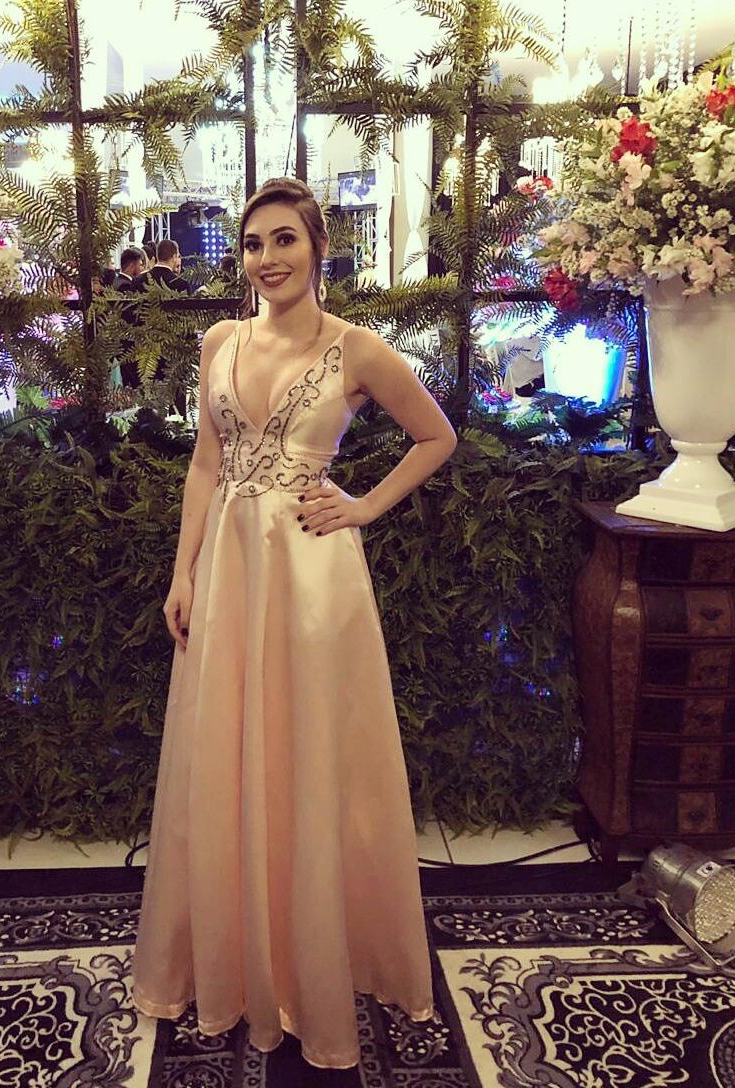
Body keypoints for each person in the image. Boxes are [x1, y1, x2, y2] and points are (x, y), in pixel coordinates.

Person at [130, 177, 458, 1069]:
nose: (267, 258)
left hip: (312, 577)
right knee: (226, 751)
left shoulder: (358, 349)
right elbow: (206, 466)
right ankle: (235, 959)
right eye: (253, 243)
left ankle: (316, 959)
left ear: (317, 248)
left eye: (284, 240)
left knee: (308, 755)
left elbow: (437, 437)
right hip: (229, 574)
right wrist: (183, 570)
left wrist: (364, 506)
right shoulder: (219, 341)